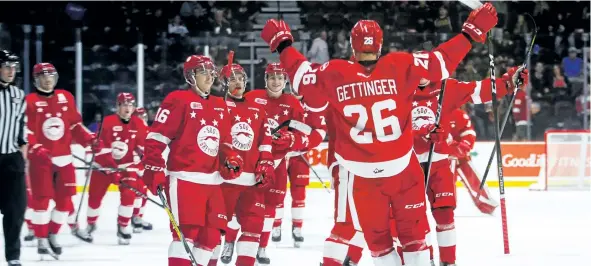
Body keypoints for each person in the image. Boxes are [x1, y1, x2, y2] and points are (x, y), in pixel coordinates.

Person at [259, 3, 498, 265]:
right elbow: (441, 62)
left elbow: (301, 77)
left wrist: (283, 44)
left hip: (362, 176)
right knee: (414, 240)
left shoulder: (334, 72)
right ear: (381, 46)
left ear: (352, 47)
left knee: (380, 246)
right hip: (402, 172)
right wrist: (470, 33)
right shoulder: (401, 64)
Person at [413, 65, 528, 265]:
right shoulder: (398, 88)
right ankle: (424, 260)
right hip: (408, 164)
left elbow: (480, 90)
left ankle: (448, 261)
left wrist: (508, 83)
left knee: (445, 212)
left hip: (443, 159)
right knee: (414, 218)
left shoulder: (448, 89)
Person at [141, 55, 244, 266]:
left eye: (211, 72)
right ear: (190, 76)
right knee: (186, 235)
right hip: (185, 179)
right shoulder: (178, 100)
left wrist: (231, 160)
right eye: (203, 72)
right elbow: (155, 140)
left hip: (213, 182)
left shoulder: (219, 104)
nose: (209, 76)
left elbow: (224, 143)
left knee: (212, 237)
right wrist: (154, 169)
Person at [25, 62, 121, 259]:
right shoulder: (30, 101)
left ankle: (52, 234)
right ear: (36, 79)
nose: (47, 79)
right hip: (40, 162)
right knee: (41, 201)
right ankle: (41, 239)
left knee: (64, 202)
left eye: (51, 75)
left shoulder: (65, 97)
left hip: (64, 160)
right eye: (43, 75)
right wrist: (35, 147)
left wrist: (90, 140)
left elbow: (75, 126)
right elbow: (26, 131)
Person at [210, 62, 275, 266]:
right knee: (214, 229)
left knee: (254, 227)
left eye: (240, 78)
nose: (238, 82)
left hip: (251, 181)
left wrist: (266, 163)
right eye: (232, 79)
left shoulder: (258, 109)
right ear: (223, 83)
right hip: (222, 180)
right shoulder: (215, 107)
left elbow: (265, 142)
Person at [79, 92, 148, 245]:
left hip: (126, 168)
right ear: (117, 106)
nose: (127, 108)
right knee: (94, 198)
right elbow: (100, 147)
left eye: (130, 105)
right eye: (124, 105)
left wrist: (143, 160)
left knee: (129, 195)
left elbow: (144, 148)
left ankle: (123, 226)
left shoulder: (138, 124)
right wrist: (111, 169)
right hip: (104, 167)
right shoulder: (108, 122)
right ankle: (91, 223)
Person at [0, 50, 27, 266]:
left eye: (13, 67)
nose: (11, 71)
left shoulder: (18, 95)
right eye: (7, 66)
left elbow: (21, 125)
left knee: (16, 210)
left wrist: (23, 145)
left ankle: (13, 256)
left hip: (12, 159)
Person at [448, 105, 499, 215]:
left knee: (473, 179)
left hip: (460, 156)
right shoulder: (431, 114)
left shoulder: (459, 114)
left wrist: (463, 147)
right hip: (440, 158)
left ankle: (486, 204)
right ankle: (445, 207)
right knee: (444, 185)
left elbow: (469, 133)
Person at [131, 106, 153, 233]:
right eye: (139, 116)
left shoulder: (148, 131)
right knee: (137, 194)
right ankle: (135, 218)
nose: (142, 119)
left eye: (143, 116)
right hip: (133, 168)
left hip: (143, 168)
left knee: (143, 194)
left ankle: (138, 217)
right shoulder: (130, 131)